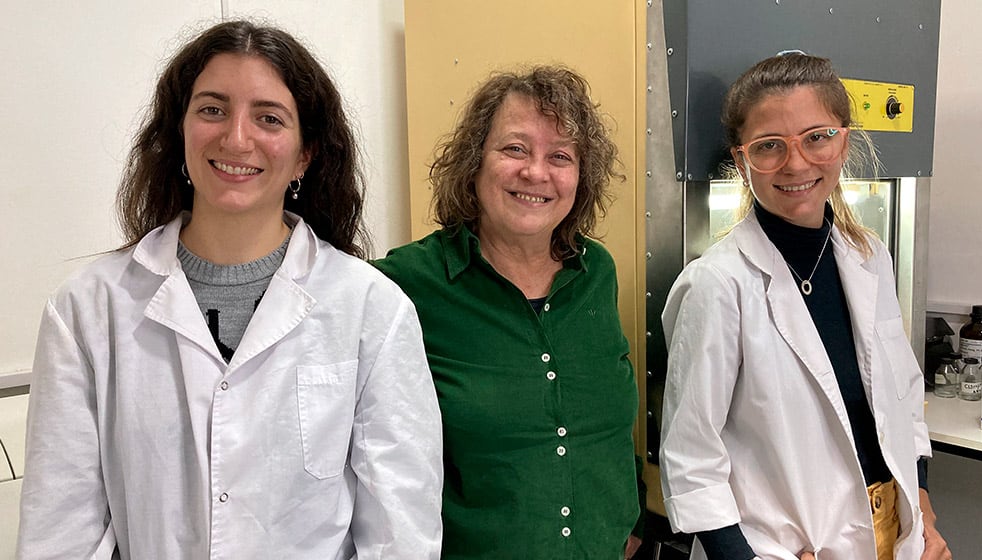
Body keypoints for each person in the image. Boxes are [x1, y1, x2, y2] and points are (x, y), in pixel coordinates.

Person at [17, 20, 443, 559]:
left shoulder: (371, 310)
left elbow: (400, 535)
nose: (236, 138)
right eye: (212, 109)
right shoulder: (87, 310)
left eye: (268, 118)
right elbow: (60, 532)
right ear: (180, 130)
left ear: (306, 153)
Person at [659, 53, 952, 560]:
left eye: (817, 136)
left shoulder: (869, 257)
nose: (796, 163)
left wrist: (922, 516)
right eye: (769, 146)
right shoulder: (717, 285)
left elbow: (903, 398)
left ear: (844, 139)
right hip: (783, 549)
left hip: (896, 533)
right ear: (742, 158)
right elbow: (691, 456)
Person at [373, 65, 642, 559]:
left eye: (559, 156)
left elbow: (609, 433)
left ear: (581, 178)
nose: (536, 173)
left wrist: (629, 522)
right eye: (515, 148)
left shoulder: (596, 274)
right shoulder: (404, 284)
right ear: (474, 163)